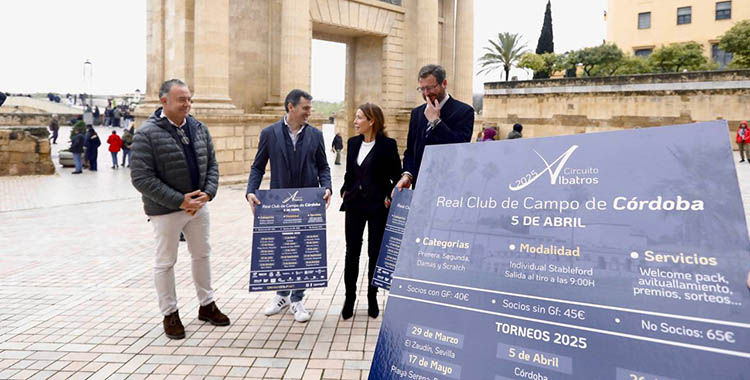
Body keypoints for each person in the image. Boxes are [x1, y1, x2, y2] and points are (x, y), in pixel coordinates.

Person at [131, 79, 229, 340]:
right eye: (181, 99)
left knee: (202, 255)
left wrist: (208, 192)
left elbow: (212, 165)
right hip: (166, 210)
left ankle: (206, 305)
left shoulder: (198, 127)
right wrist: (180, 201)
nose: (188, 104)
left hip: (198, 208)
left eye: (189, 99)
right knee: (165, 262)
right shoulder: (146, 134)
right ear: (164, 101)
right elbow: (141, 178)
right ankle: (170, 313)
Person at [246, 89, 332, 323]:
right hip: (278, 204)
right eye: (305, 108)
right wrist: (250, 192)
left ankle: (297, 299)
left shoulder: (315, 135)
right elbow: (257, 167)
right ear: (291, 107)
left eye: (310, 108)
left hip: (308, 203)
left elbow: (324, 166)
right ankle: (281, 295)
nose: (309, 113)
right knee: (283, 249)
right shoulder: (269, 133)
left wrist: (328, 187)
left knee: (303, 250)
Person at [339, 103, 401, 320]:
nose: (355, 122)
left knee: (374, 253)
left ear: (371, 120)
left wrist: (388, 195)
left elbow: (397, 175)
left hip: (377, 207)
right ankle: (349, 298)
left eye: (359, 118)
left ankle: (372, 296)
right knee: (351, 253)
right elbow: (350, 174)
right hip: (354, 205)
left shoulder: (387, 145)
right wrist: (344, 190)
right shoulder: (353, 142)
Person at [395, 64, 474, 191]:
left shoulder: (464, 111)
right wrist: (407, 175)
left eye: (430, 88)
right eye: (422, 89)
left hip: (448, 187)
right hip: (420, 188)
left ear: (444, 83)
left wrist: (435, 122)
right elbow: (410, 151)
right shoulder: (417, 113)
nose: (426, 93)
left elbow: (459, 148)